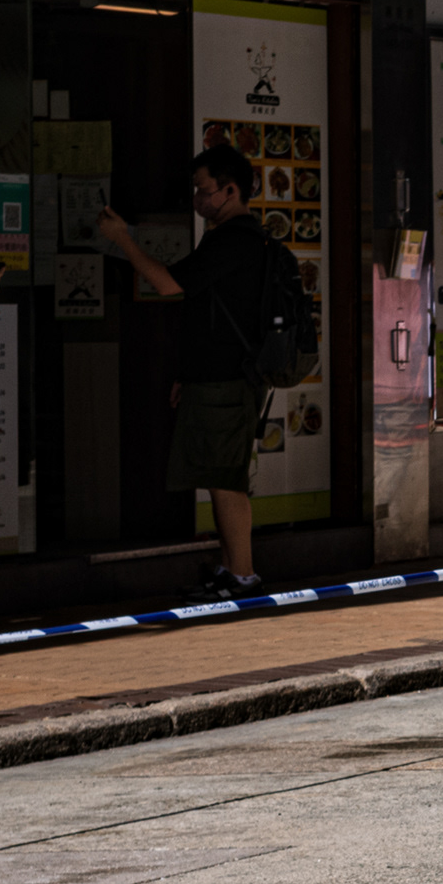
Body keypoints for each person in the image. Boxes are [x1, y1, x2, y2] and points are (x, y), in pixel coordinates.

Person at [98, 145, 282, 599]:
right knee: (221, 478)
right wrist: (189, 371)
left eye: (203, 190)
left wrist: (122, 239)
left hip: (226, 381)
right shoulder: (247, 240)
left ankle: (242, 575)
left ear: (230, 191)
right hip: (222, 376)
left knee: (225, 480)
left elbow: (166, 284)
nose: (197, 199)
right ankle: (232, 568)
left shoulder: (232, 241)